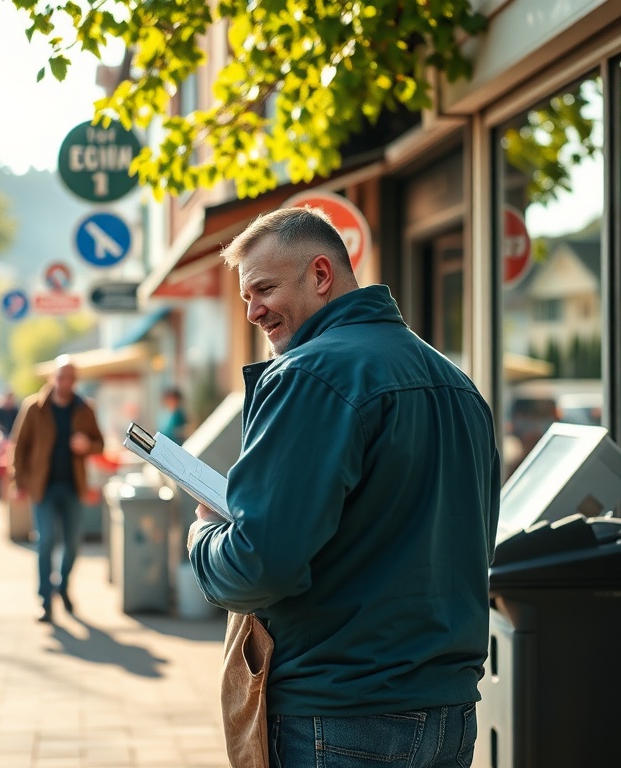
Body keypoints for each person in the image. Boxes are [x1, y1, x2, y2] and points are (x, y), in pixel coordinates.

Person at [187, 206, 501, 767]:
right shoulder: (458, 385)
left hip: (341, 715)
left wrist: (206, 536)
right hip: (450, 713)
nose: (254, 311)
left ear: (321, 275)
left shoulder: (308, 376)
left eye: (263, 289)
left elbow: (261, 565)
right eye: (245, 298)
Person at [10, 355, 105, 623]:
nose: (65, 382)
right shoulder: (35, 407)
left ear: (75, 381)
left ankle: (62, 587)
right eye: (61, 377)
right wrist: (18, 482)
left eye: (70, 378)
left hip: (74, 486)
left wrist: (87, 445)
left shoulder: (84, 409)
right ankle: (45, 601)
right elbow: (19, 446)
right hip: (43, 487)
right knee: (46, 541)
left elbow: (100, 444)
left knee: (73, 544)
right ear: (53, 378)